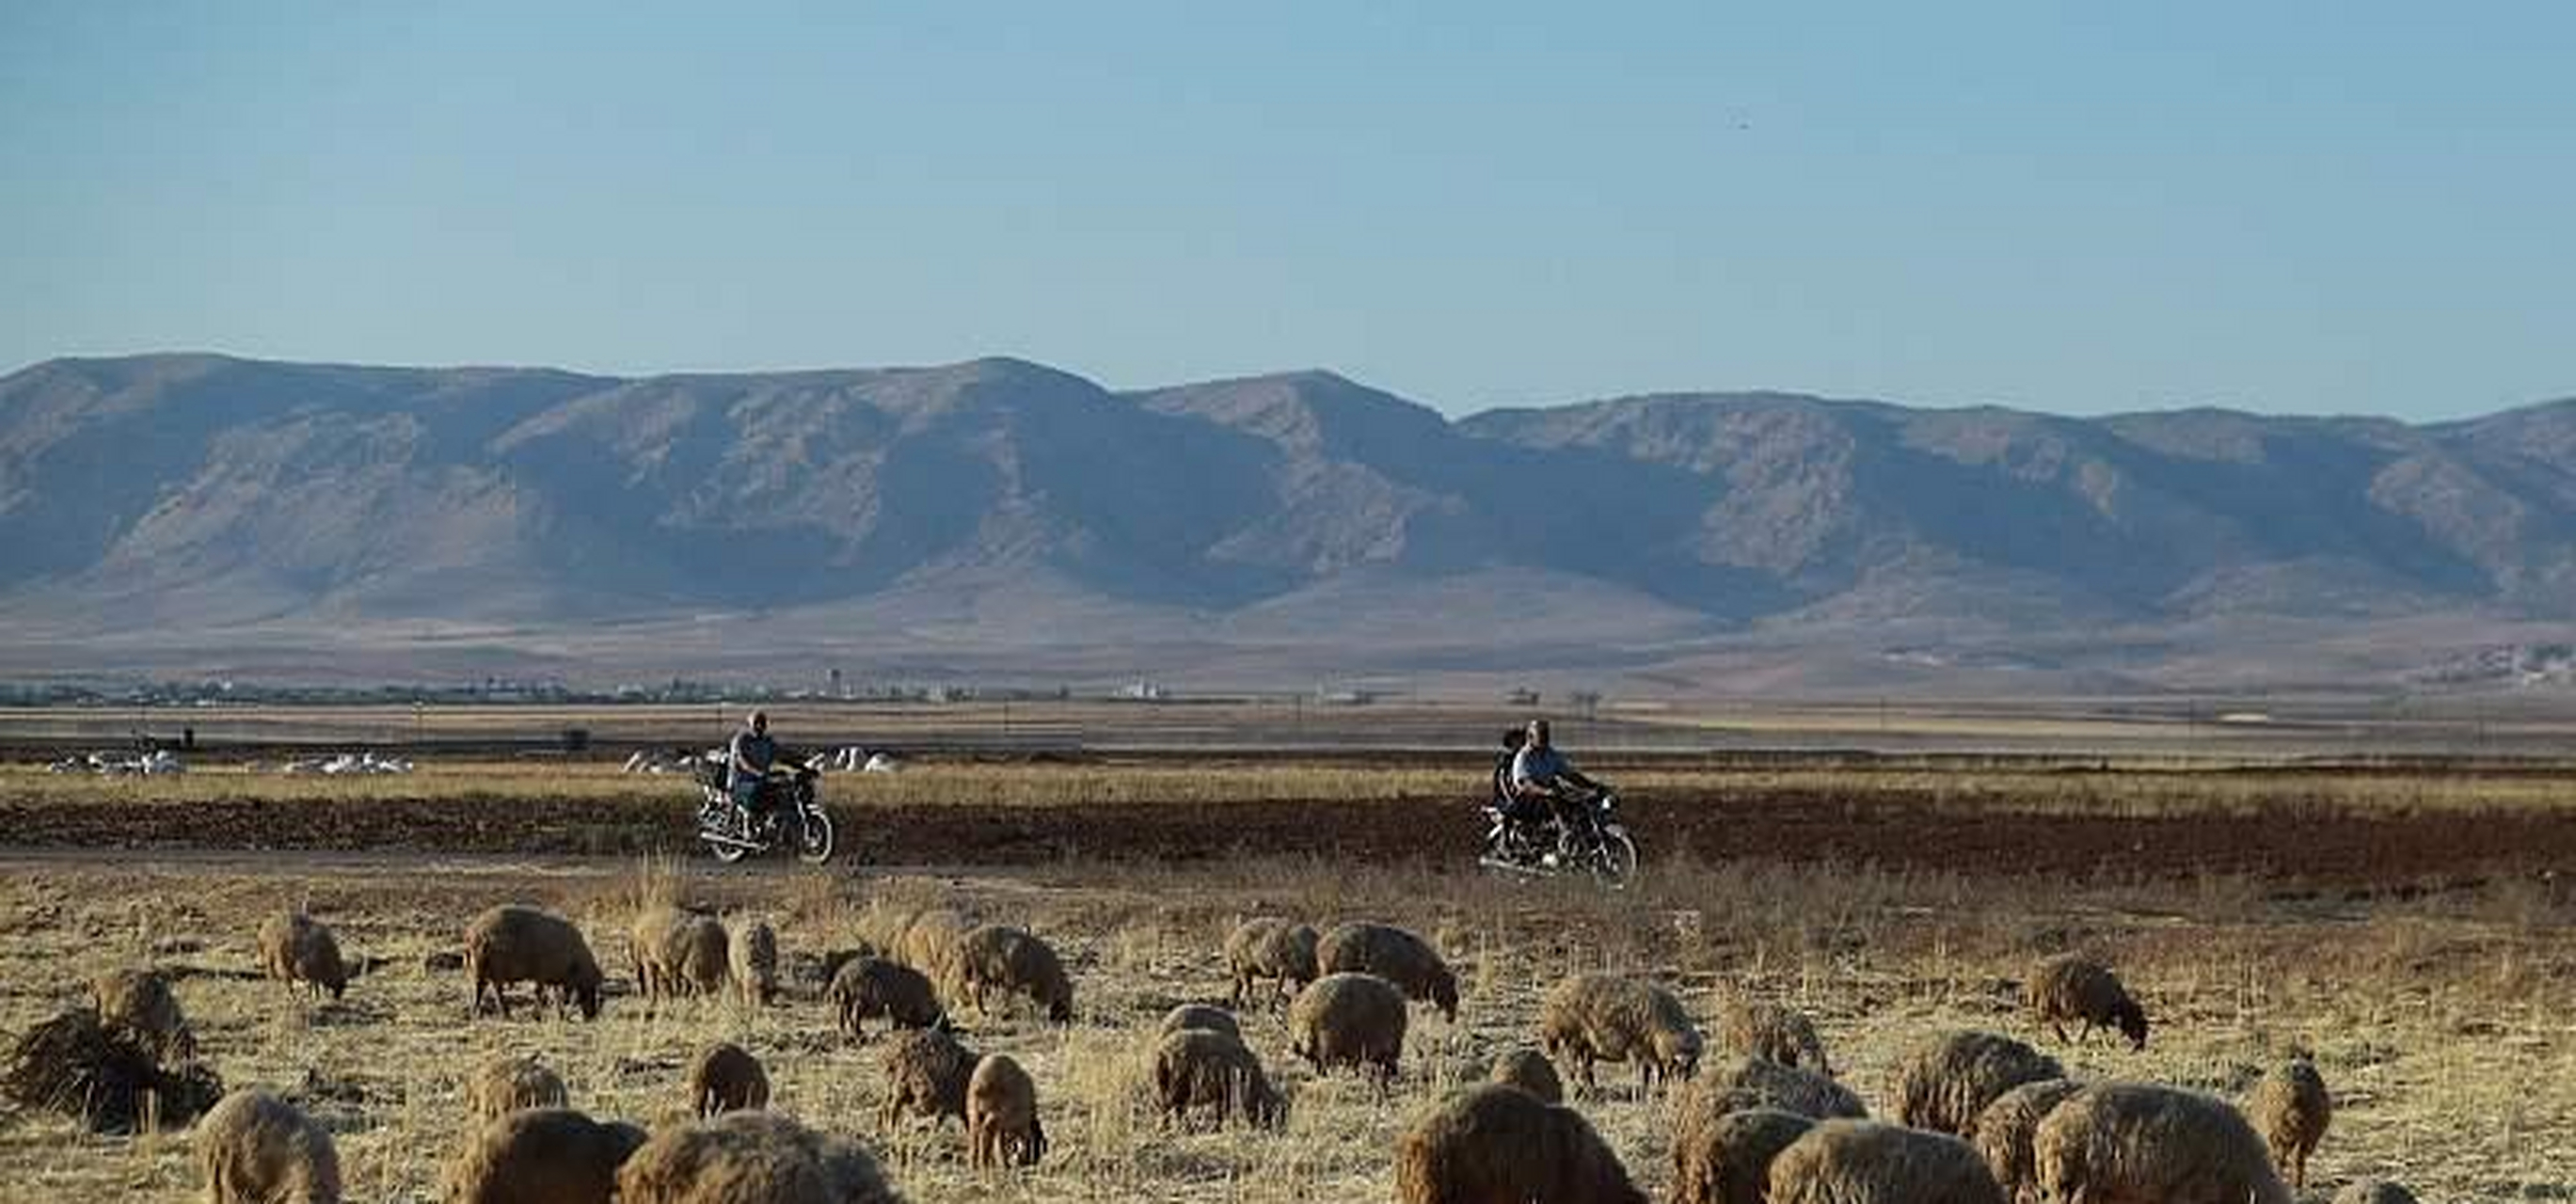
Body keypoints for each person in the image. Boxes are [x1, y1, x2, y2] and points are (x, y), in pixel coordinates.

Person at [1509, 718, 1601, 842]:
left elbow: (1569, 775)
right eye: (1541, 735)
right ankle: (1564, 831)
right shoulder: (1524, 757)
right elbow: (1525, 783)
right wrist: (1545, 791)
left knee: (1576, 801)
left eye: (1546, 735)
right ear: (1530, 737)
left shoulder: (1550, 754)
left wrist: (1591, 785)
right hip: (1528, 798)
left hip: (1548, 793)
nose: (1545, 738)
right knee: (1552, 798)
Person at [727, 709, 780, 827]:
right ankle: (748, 824)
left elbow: (784, 755)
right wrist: (758, 772)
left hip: (761, 780)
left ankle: (767, 824)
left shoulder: (768, 741)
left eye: (762, 723)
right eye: (756, 723)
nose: (759, 726)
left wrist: (804, 764)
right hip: (740, 781)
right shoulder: (742, 740)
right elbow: (743, 762)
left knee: (779, 791)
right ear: (750, 724)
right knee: (755, 791)